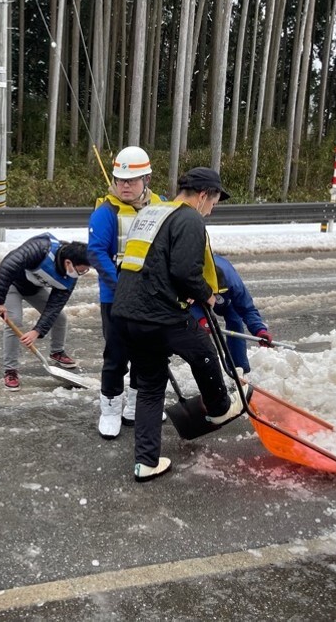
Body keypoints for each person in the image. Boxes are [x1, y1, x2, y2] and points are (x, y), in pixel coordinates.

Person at [112, 167, 244, 482]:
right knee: (203, 351)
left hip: (127, 312)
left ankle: (146, 462)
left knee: (149, 388)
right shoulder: (189, 219)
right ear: (203, 196)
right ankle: (219, 407)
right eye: (214, 202)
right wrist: (208, 296)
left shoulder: (153, 212)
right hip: (159, 313)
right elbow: (185, 272)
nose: (212, 209)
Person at [88, 146, 163, 438]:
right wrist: (121, 289)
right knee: (116, 355)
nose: (125, 186)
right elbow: (96, 253)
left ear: (146, 179)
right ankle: (109, 409)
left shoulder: (161, 206)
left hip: (150, 297)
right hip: (115, 299)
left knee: (147, 354)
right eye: (120, 180)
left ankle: (135, 404)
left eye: (131, 181)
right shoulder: (105, 213)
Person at [0, 234, 91, 391]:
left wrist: (37, 331)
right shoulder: (40, 248)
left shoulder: (70, 277)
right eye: (81, 270)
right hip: (13, 286)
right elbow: (8, 265)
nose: (81, 274)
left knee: (60, 317)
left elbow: (54, 306)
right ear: (68, 262)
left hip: (34, 289)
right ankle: (10, 371)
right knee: (14, 321)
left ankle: (57, 352)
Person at [191, 254, 273, 374]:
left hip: (226, 296)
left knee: (235, 322)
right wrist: (200, 319)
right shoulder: (192, 278)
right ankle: (208, 374)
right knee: (198, 333)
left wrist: (259, 330)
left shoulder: (234, 284)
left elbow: (247, 308)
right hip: (197, 297)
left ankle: (238, 370)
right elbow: (185, 304)